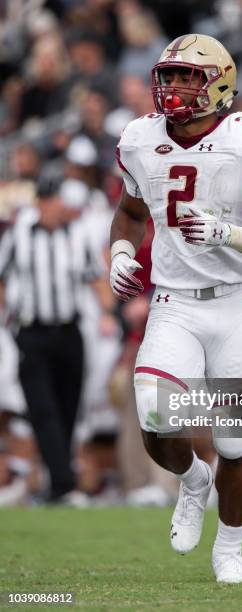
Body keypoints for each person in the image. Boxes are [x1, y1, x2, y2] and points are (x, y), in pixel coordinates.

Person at [109, 34, 242, 583]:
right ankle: (192, 480)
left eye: (189, 76)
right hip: (173, 302)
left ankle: (230, 551)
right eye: (168, 76)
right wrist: (120, 251)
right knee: (156, 416)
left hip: (239, 303)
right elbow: (129, 212)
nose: (174, 87)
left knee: (235, 440)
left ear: (220, 81)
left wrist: (227, 233)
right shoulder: (140, 138)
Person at [0, 171, 109, 505]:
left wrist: (107, 313)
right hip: (31, 332)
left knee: (67, 407)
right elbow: (2, 280)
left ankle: (55, 481)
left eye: (58, 198)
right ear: (39, 203)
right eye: (48, 199)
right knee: (42, 408)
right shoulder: (18, 236)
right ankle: (64, 483)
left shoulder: (78, 235)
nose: (54, 206)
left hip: (69, 330)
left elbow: (96, 279)